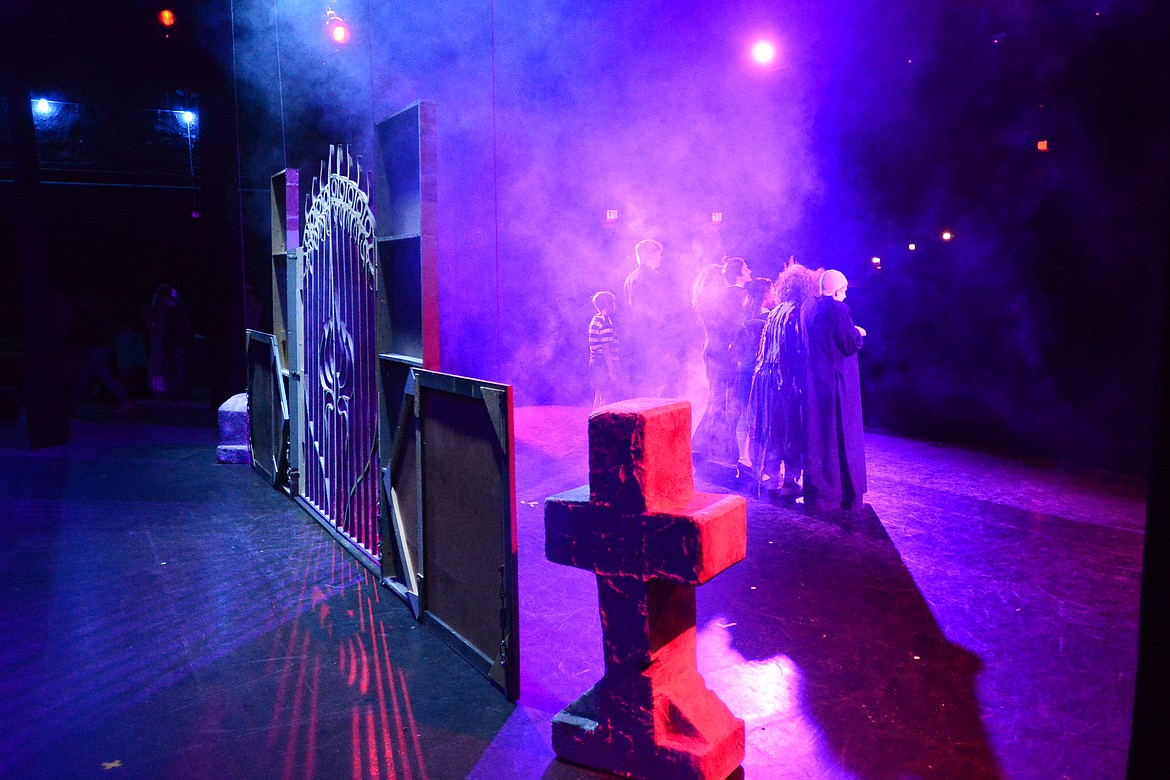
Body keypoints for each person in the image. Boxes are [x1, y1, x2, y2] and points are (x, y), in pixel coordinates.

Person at [748, 263, 820, 494]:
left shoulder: (776, 311)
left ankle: (772, 475)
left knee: (770, 426)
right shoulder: (799, 312)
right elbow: (797, 349)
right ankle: (789, 479)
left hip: (765, 379)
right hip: (786, 381)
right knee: (791, 428)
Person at [801, 269, 868, 512]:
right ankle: (843, 493)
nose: (846, 293)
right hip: (837, 381)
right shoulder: (838, 309)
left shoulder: (808, 307)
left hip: (816, 380)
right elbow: (848, 344)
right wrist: (858, 333)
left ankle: (820, 493)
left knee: (819, 434)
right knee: (841, 434)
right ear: (838, 288)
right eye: (845, 288)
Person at [692, 257, 751, 465]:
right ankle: (709, 448)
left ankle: (701, 446)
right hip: (721, 352)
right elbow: (733, 327)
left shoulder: (706, 300)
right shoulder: (732, 296)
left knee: (716, 398)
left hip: (712, 350)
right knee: (723, 399)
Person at [732, 276, 774, 471]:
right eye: (771, 291)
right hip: (759, 371)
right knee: (760, 416)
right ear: (766, 295)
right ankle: (761, 462)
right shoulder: (768, 318)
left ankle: (743, 457)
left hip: (743, 368)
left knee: (744, 413)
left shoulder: (743, 314)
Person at [622, 238, 668, 396]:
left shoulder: (629, 278)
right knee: (653, 383)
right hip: (651, 338)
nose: (661, 258)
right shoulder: (654, 277)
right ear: (652, 255)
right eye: (659, 254)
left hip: (634, 336)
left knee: (638, 383)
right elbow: (659, 310)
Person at [146, 283, 192, 400]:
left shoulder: (176, 309)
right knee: (171, 368)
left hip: (175, 342)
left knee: (177, 367)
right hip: (168, 343)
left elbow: (181, 327)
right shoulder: (166, 309)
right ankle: (174, 391)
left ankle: (180, 392)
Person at [588, 291, 622, 410]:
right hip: (603, 363)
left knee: (598, 397)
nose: (615, 306)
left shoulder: (595, 319)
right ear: (607, 305)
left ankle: (593, 427)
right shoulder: (605, 322)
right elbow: (606, 348)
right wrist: (612, 370)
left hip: (595, 362)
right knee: (606, 400)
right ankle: (601, 428)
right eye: (613, 303)